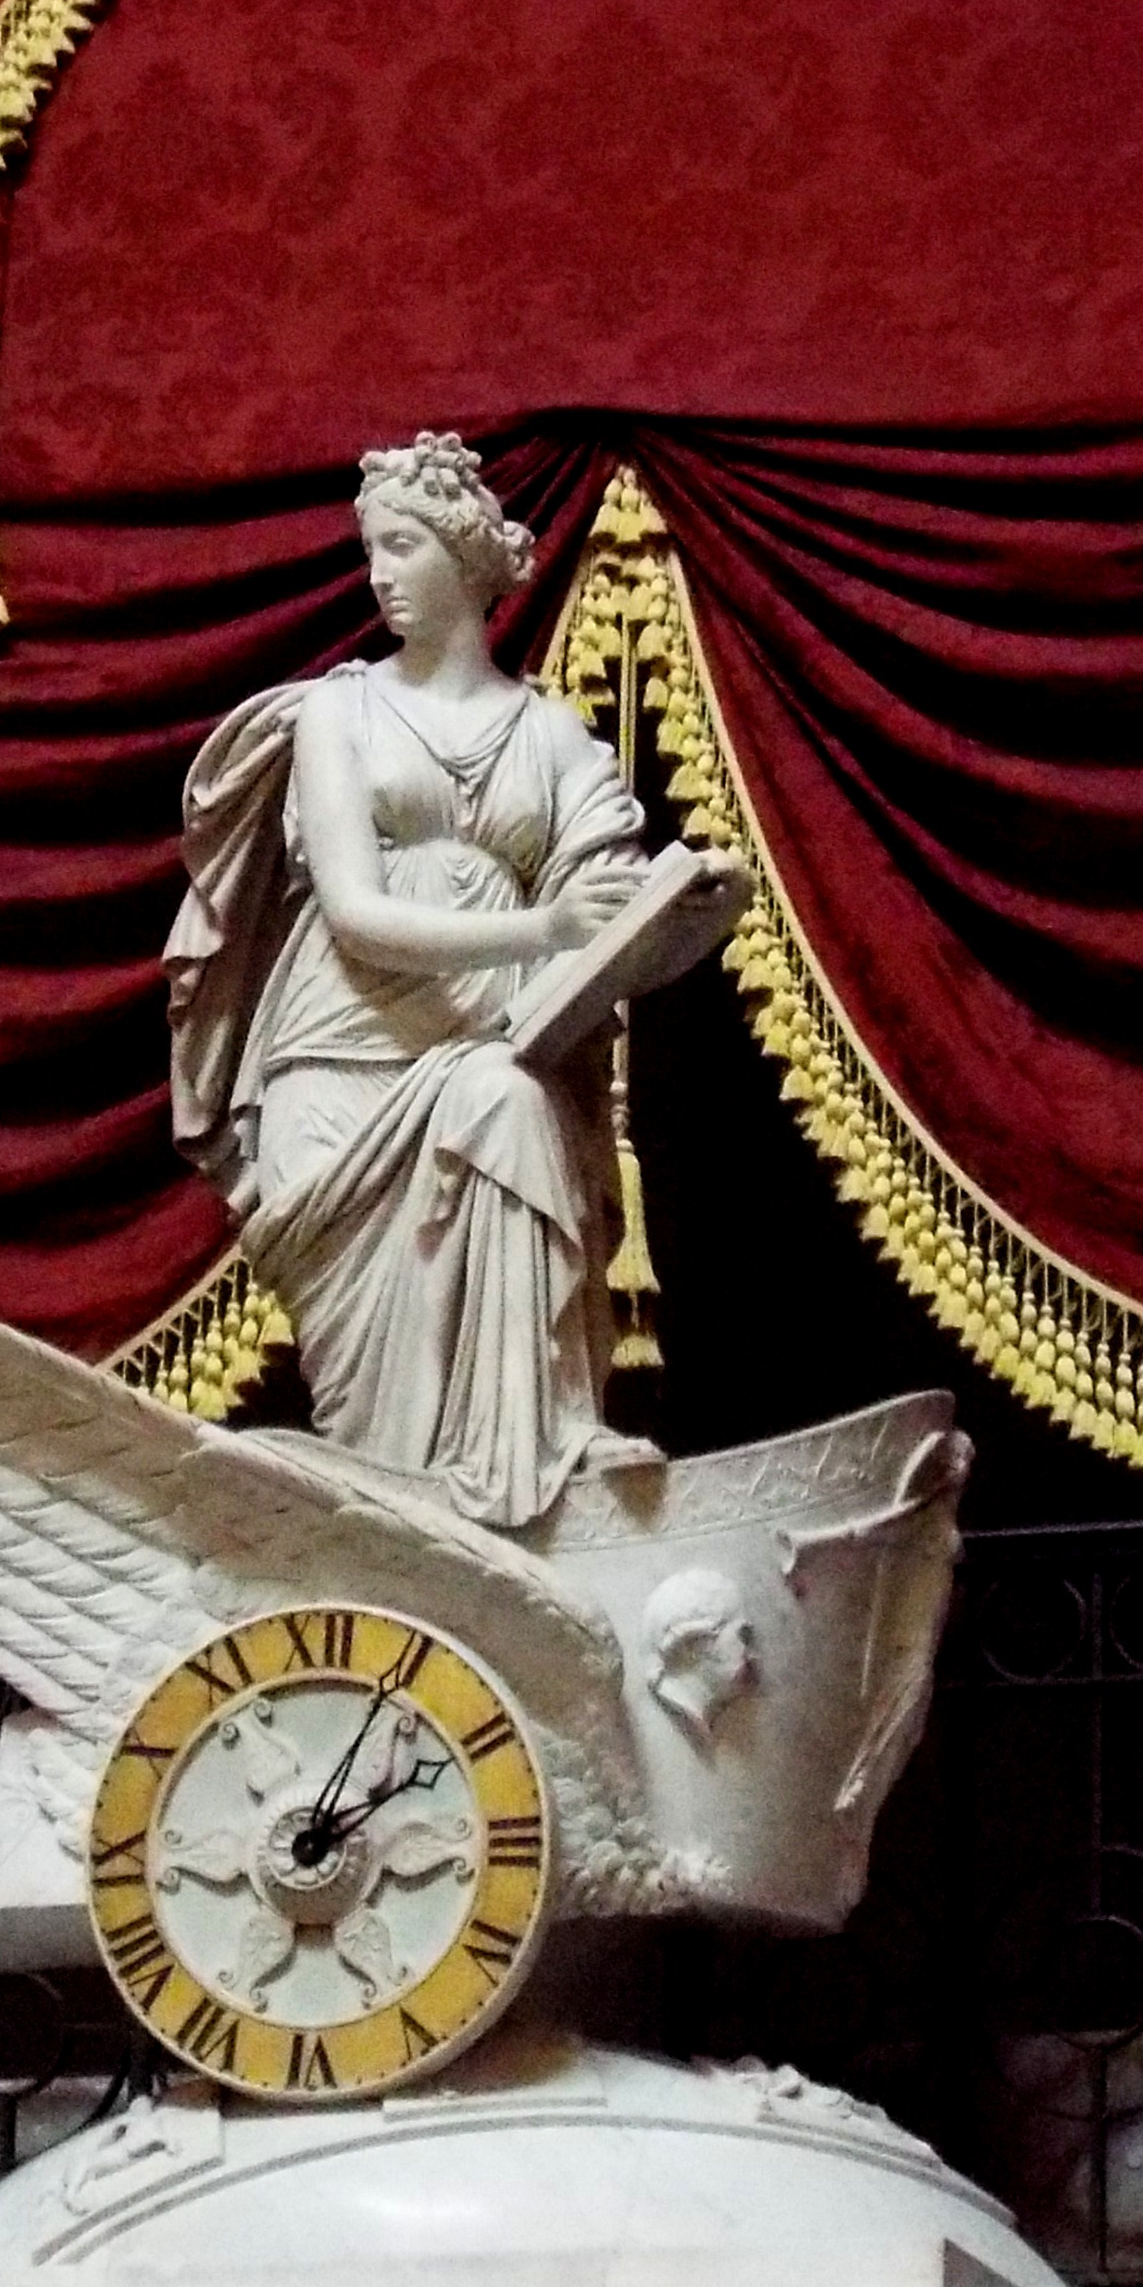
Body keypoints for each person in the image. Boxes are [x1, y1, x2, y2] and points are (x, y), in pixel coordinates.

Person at [167, 431, 657, 1528]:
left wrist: (658, 915)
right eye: (371, 549)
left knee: (510, 1105)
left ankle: (543, 1452)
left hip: (494, 1052)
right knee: (370, 1415)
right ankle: (408, 1544)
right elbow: (355, 913)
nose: (380, 572)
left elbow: (608, 911)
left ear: (465, 561)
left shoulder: (557, 743)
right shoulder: (337, 714)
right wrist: (537, 922)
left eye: (402, 546)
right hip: (340, 1061)